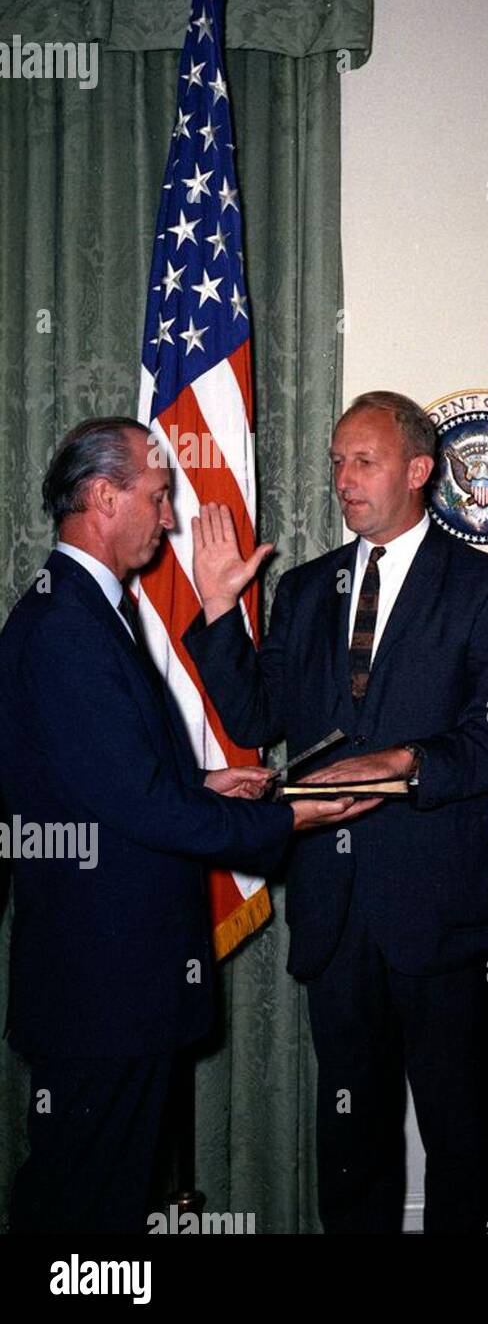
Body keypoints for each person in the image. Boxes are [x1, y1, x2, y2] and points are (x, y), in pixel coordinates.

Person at [183, 391, 488, 1233]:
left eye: (363, 461)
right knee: (350, 1131)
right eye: (338, 460)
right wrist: (219, 610)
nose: (343, 478)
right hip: (334, 915)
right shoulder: (305, 588)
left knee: (456, 1134)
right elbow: (256, 719)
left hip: (443, 913)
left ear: (418, 471)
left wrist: (409, 764)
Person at [0, 417, 357, 1234]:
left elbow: (90, 772)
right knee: (89, 1199)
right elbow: (138, 806)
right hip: (104, 985)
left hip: (103, 979)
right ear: (103, 497)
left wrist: (204, 778)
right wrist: (287, 817)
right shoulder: (68, 627)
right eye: (158, 498)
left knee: (101, 1189)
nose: (167, 519)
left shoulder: (82, 609)